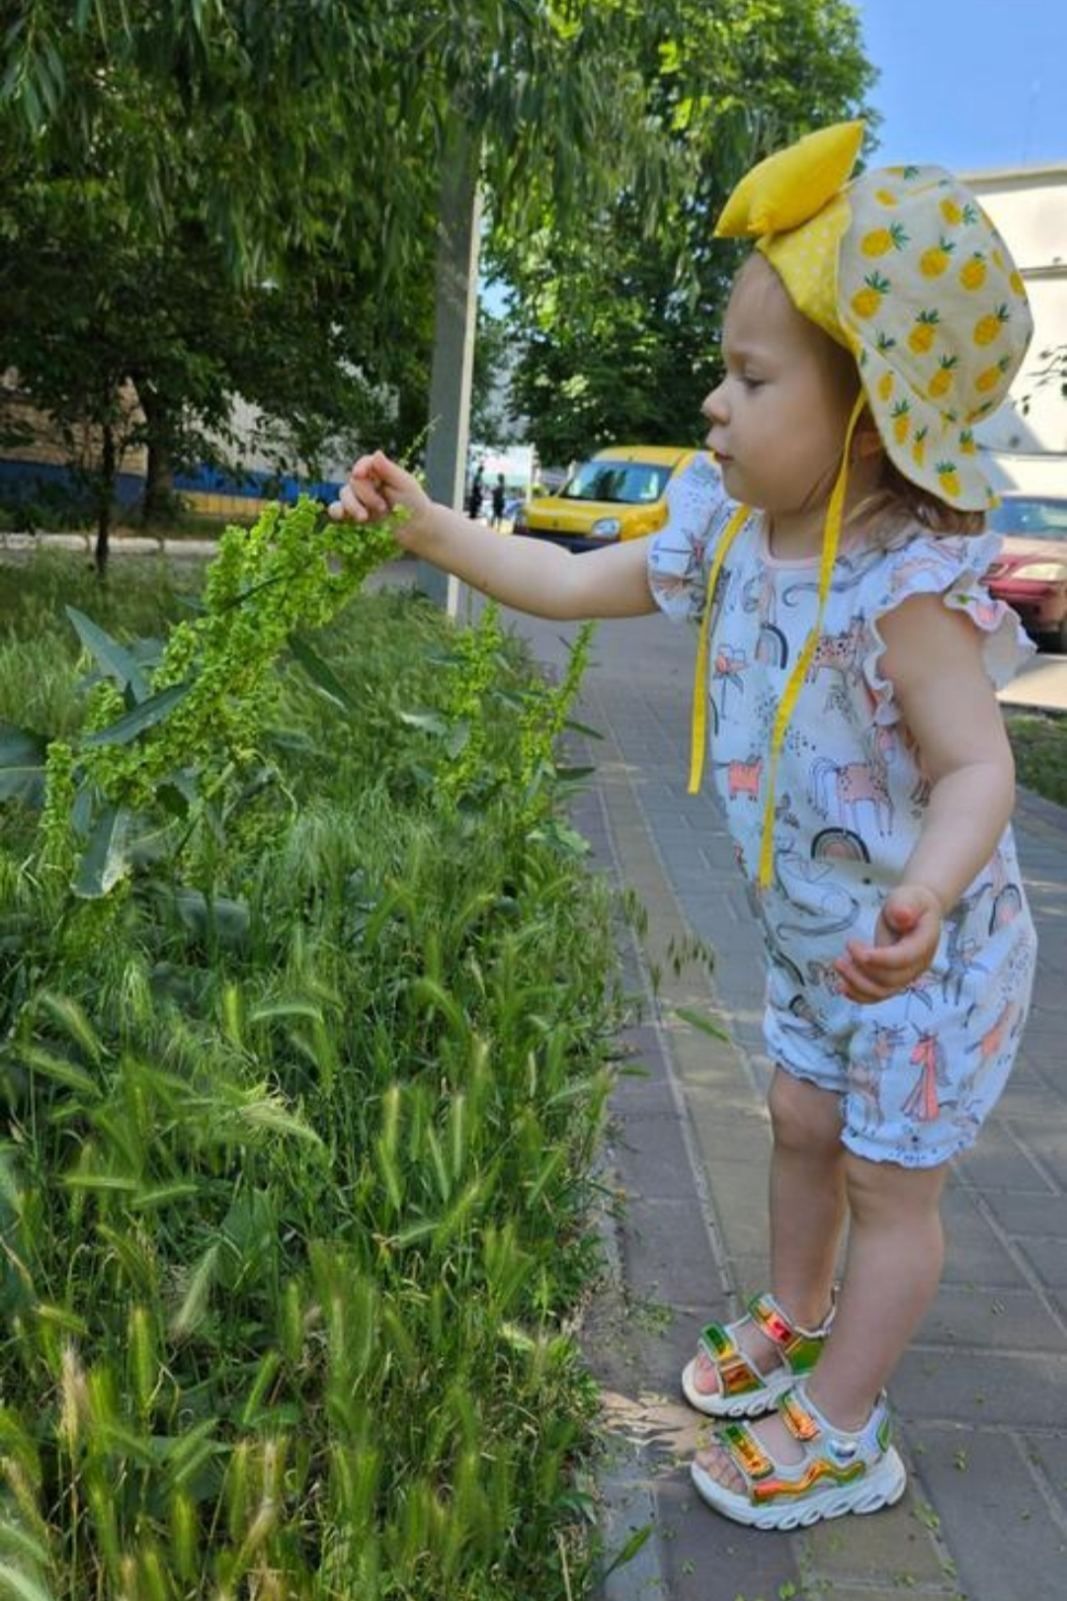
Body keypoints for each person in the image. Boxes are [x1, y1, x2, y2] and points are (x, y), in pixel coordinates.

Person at [330, 122, 1038, 1531]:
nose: (714, 404)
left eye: (753, 377)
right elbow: (558, 575)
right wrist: (428, 533)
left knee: (894, 1188)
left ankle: (844, 1427)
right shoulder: (725, 532)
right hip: (815, 945)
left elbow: (979, 778)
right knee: (792, 1117)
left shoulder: (905, 591)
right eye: (726, 368)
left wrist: (931, 899)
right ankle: (794, 1309)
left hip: (928, 966)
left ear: (876, 410)